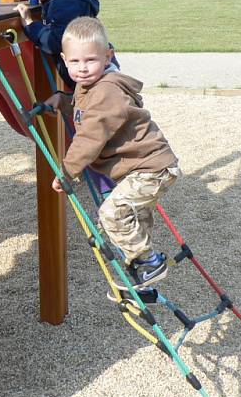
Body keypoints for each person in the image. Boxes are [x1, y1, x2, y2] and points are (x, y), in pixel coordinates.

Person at [47, 17, 180, 289]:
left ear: (109, 56)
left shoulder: (107, 89)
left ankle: (150, 263)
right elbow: (89, 113)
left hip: (149, 169)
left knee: (112, 214)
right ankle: (143, 277)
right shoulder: (90, 87)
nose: (82, 69)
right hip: (145, 168)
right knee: (134, 218)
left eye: (91, 60)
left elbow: (91, 134)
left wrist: (67, 171)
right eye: (75, 62)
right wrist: (64, 101)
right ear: (64, 59)